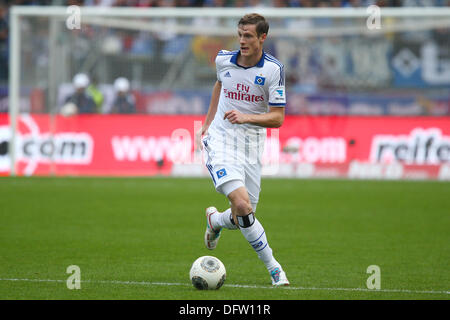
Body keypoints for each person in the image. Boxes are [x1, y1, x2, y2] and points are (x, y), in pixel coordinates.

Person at [195, 13, 289, 286]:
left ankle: (215, 220)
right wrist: (207, 123)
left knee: (242, 217)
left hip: (250, 149)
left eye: (248, 36)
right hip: (221, 142)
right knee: (242, 203)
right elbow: (219, 84)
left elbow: (278, 118)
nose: (242, 41)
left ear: (262, 37)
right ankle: (275, 269)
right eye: (240, 35)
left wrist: (247, 117)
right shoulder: (224, 59)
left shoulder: (273, 70)